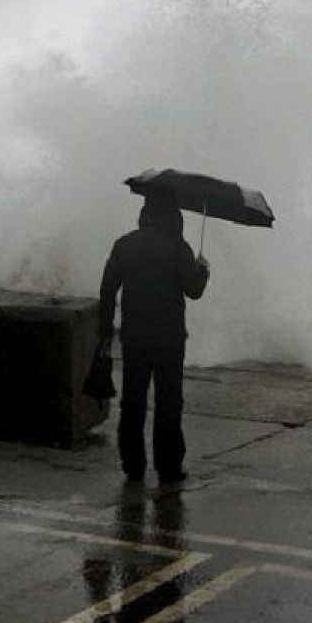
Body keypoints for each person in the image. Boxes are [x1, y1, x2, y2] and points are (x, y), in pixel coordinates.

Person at [98, 191, 210, 484]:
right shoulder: (178, 247)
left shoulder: (125, 244)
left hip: (134, 337)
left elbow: (107, 290)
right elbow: (193, 290)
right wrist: (202, 271)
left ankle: (132, 465)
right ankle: (168, 466)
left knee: (132, 402)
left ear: (145, 213)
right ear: (174, 216)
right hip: (170, 339)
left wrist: (105, 331)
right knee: (169, 402)